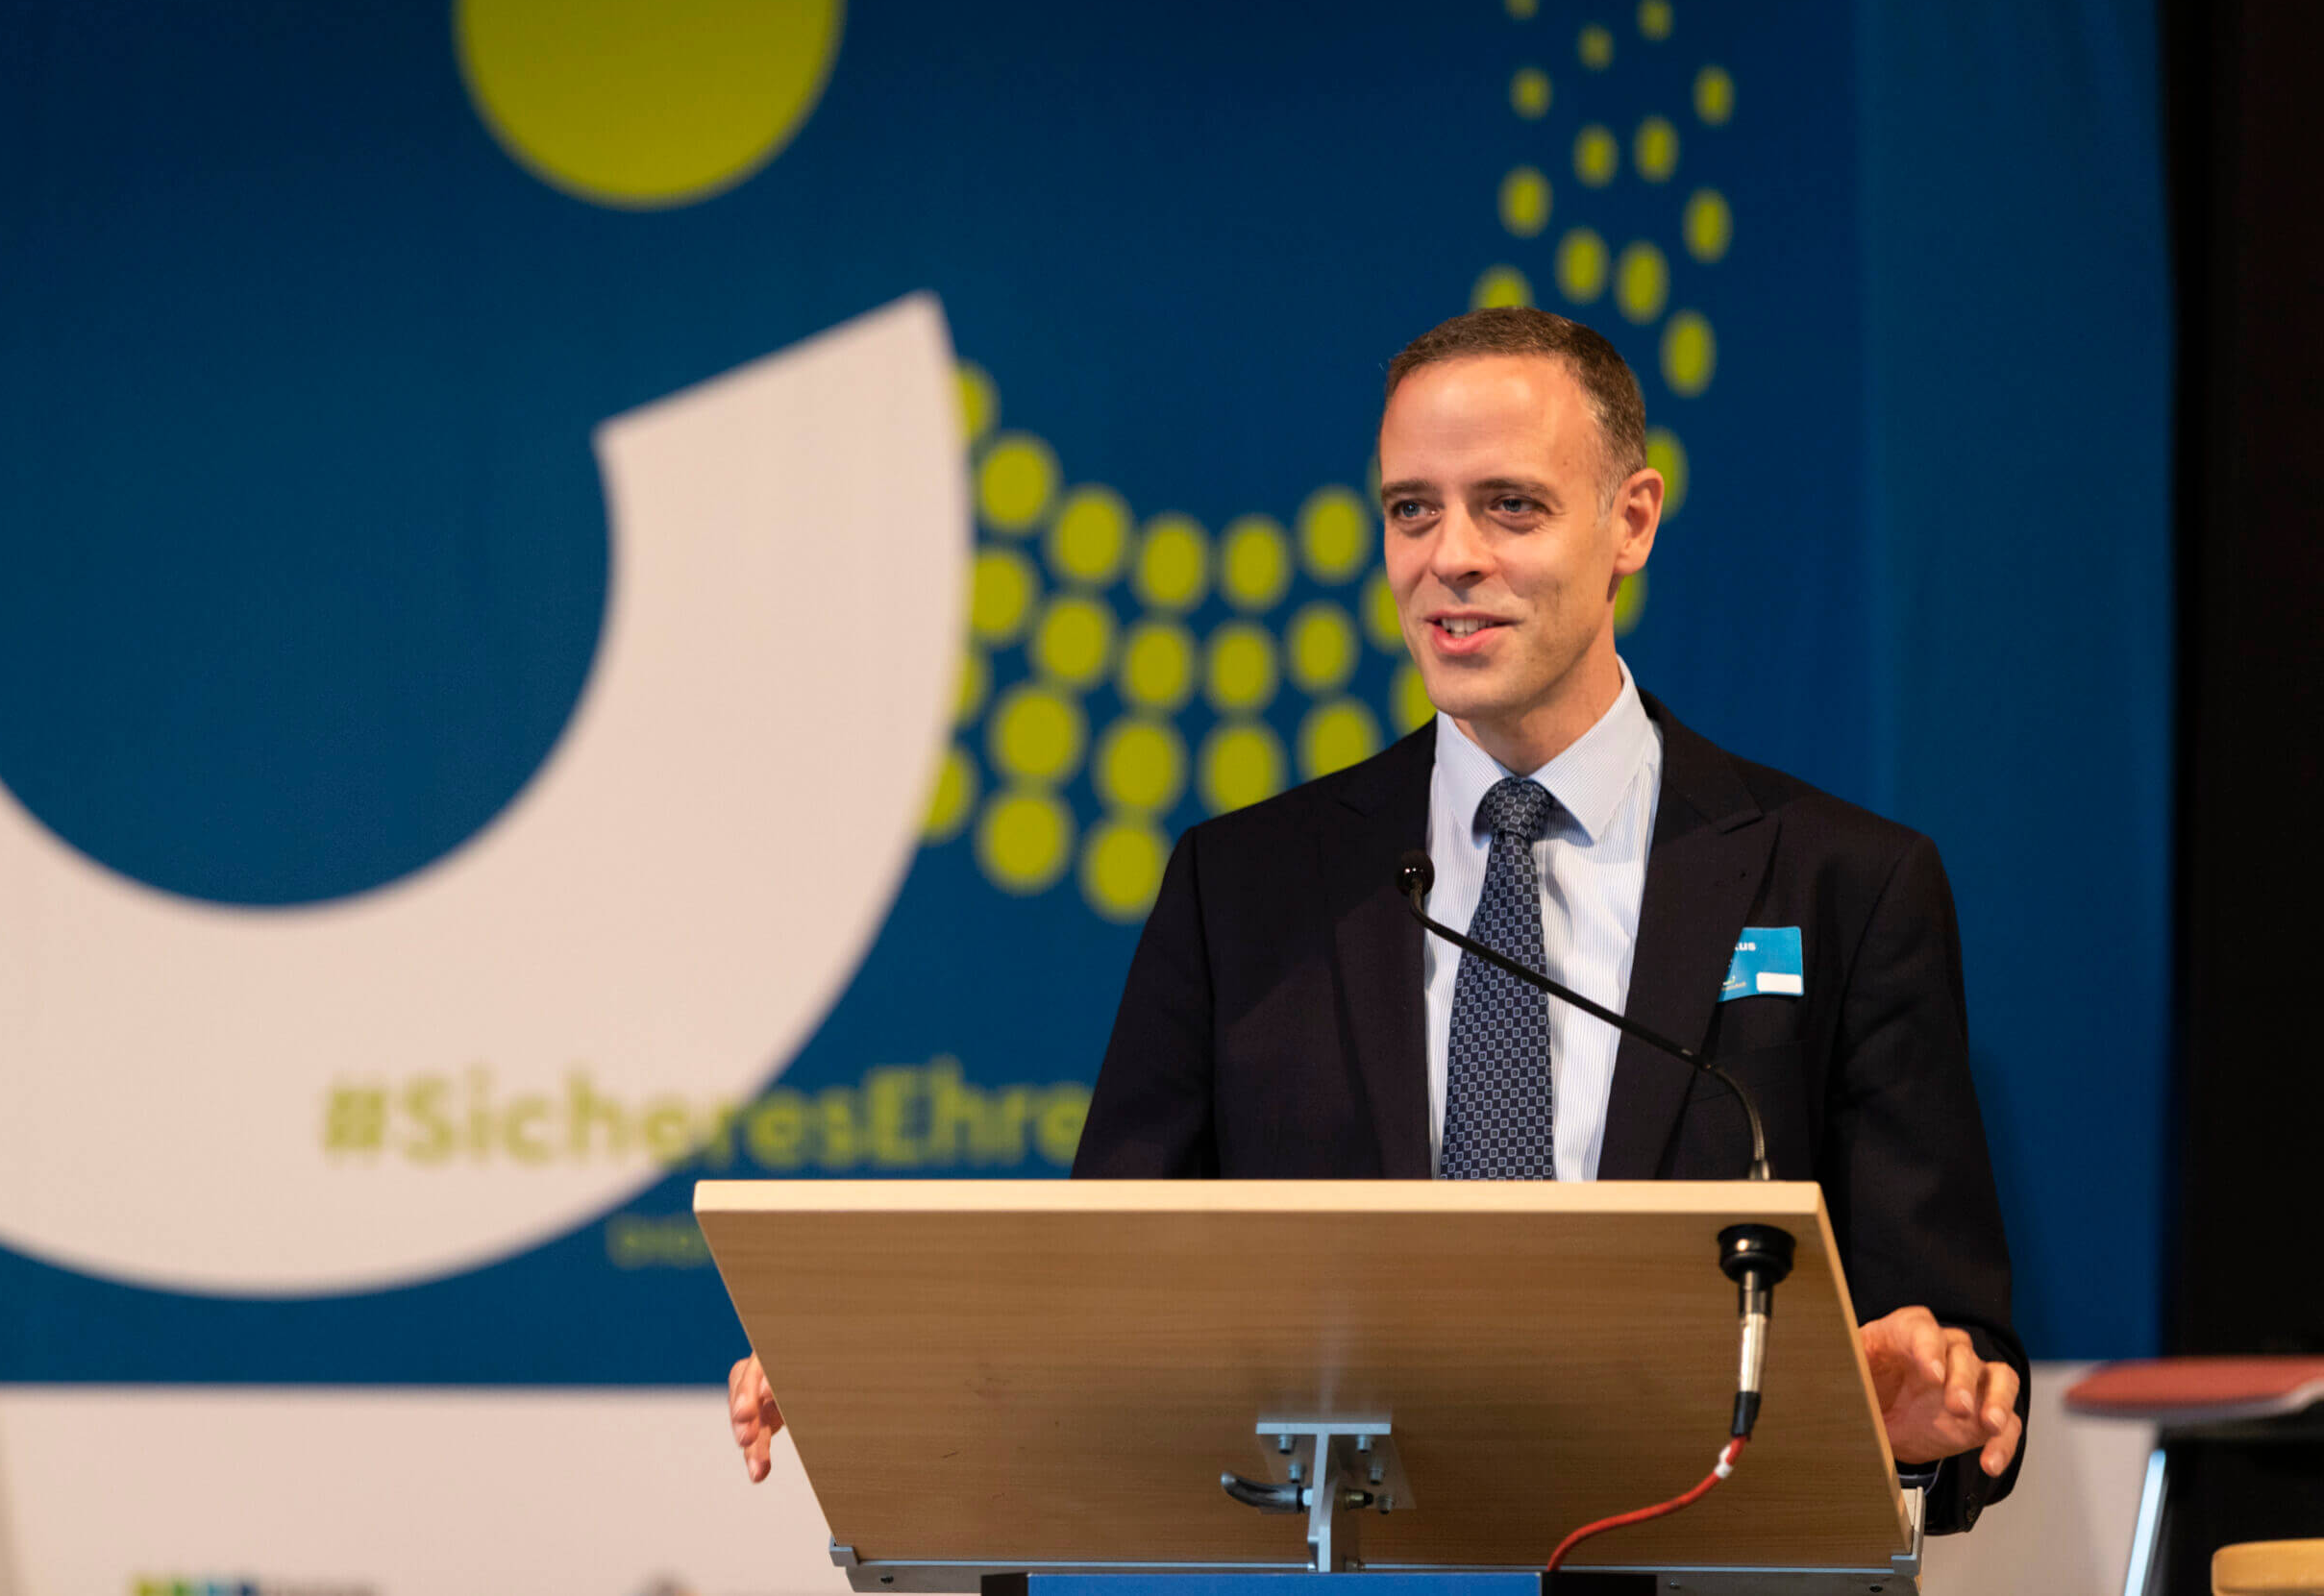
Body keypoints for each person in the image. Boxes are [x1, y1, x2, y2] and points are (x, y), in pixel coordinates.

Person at [731, 307, 2027, 1535]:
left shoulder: (1841, 882)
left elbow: (1947, 1353)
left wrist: (1928, 1416)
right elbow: (1112, 1296)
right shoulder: (1246, 889)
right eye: (1413, 509)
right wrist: (882, 1368)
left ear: (1631, 521)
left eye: (1510, 505)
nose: (1449, 556)